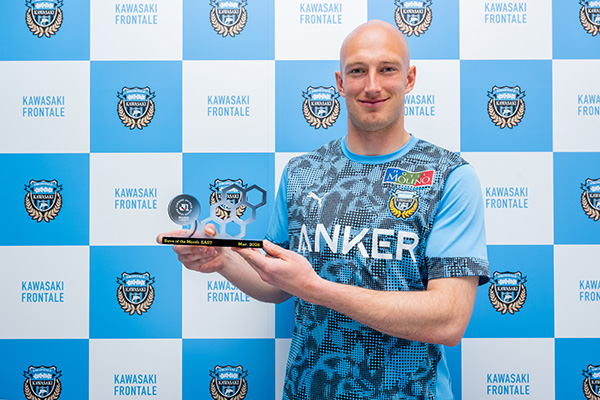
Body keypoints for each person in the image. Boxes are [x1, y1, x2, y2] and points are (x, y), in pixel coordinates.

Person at [159, 19, 489, 400]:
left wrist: (316, 289)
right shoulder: (301, 172)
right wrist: (222, 260)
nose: (372, 85)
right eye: (358, 71)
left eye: (387, 69)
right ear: (340, 82)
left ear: (409, 78)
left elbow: (449, 319)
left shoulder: (449, 176)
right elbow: (276, 281)